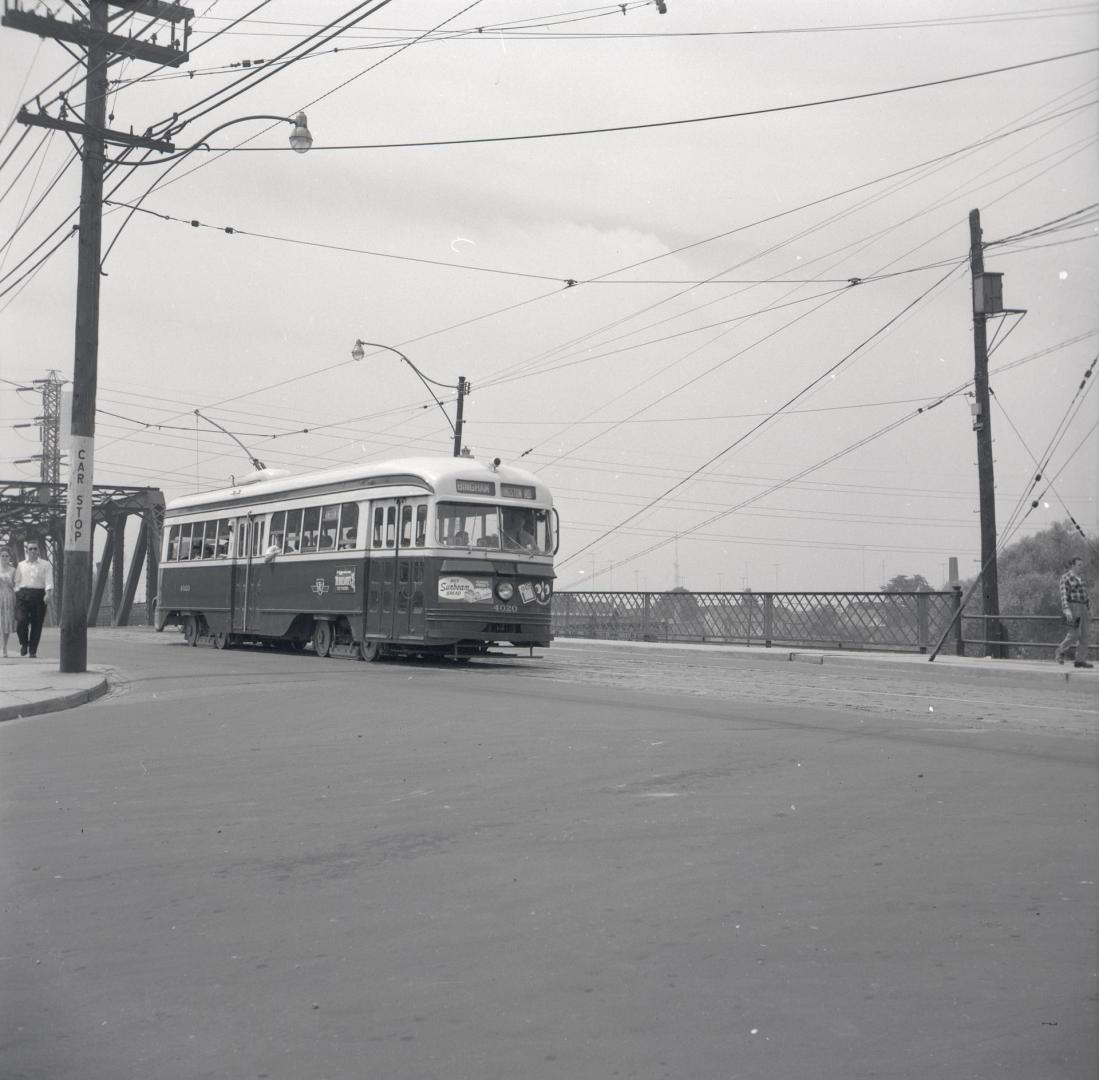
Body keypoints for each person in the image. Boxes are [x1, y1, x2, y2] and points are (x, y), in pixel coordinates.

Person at [14, 540, 52, 659]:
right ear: (27, 550)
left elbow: (49, 581)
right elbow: (16, 581)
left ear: (38, 550)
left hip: (39, 594)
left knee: (37, 624)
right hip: (23, 594)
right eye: (30, 549)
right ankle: (24, 643)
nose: (33, 551)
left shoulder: (45, 565)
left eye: (35, 548)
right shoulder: (21, 565)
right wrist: (18, 593)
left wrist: (48, 594)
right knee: (21, 620)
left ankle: (32, 650)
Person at [1055, 555, 1092, 668]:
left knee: (1085, 634)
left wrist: (1089, 608)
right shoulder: (1065, 578)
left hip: (1083, 607)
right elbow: (1063, 595)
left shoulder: (1081, 578)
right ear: (1072, 565)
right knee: (1074, 634)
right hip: (1072, 606)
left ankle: (1080, 660)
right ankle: (1060, 650)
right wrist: (1066, 609)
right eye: (1079, 565)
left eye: (1082, 565)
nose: (1081, 567)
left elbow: (1085, 595)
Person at [0, 546, 16, 658]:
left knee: (6, 622)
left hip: (9, 596)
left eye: (6, 556)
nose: (4, 557)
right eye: (2, 556)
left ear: (9, 557)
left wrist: (10, 583)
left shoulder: (13, 570)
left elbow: (16, 585)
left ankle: (4, 647)